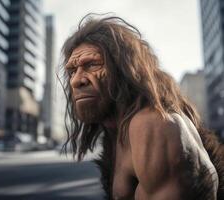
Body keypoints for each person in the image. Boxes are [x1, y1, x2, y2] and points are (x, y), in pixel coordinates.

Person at [60, 14, 224, 200]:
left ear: (124, 69)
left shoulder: (151, 124)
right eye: (72, 71)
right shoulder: (119, 129)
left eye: (91, 64)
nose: (76, 80)